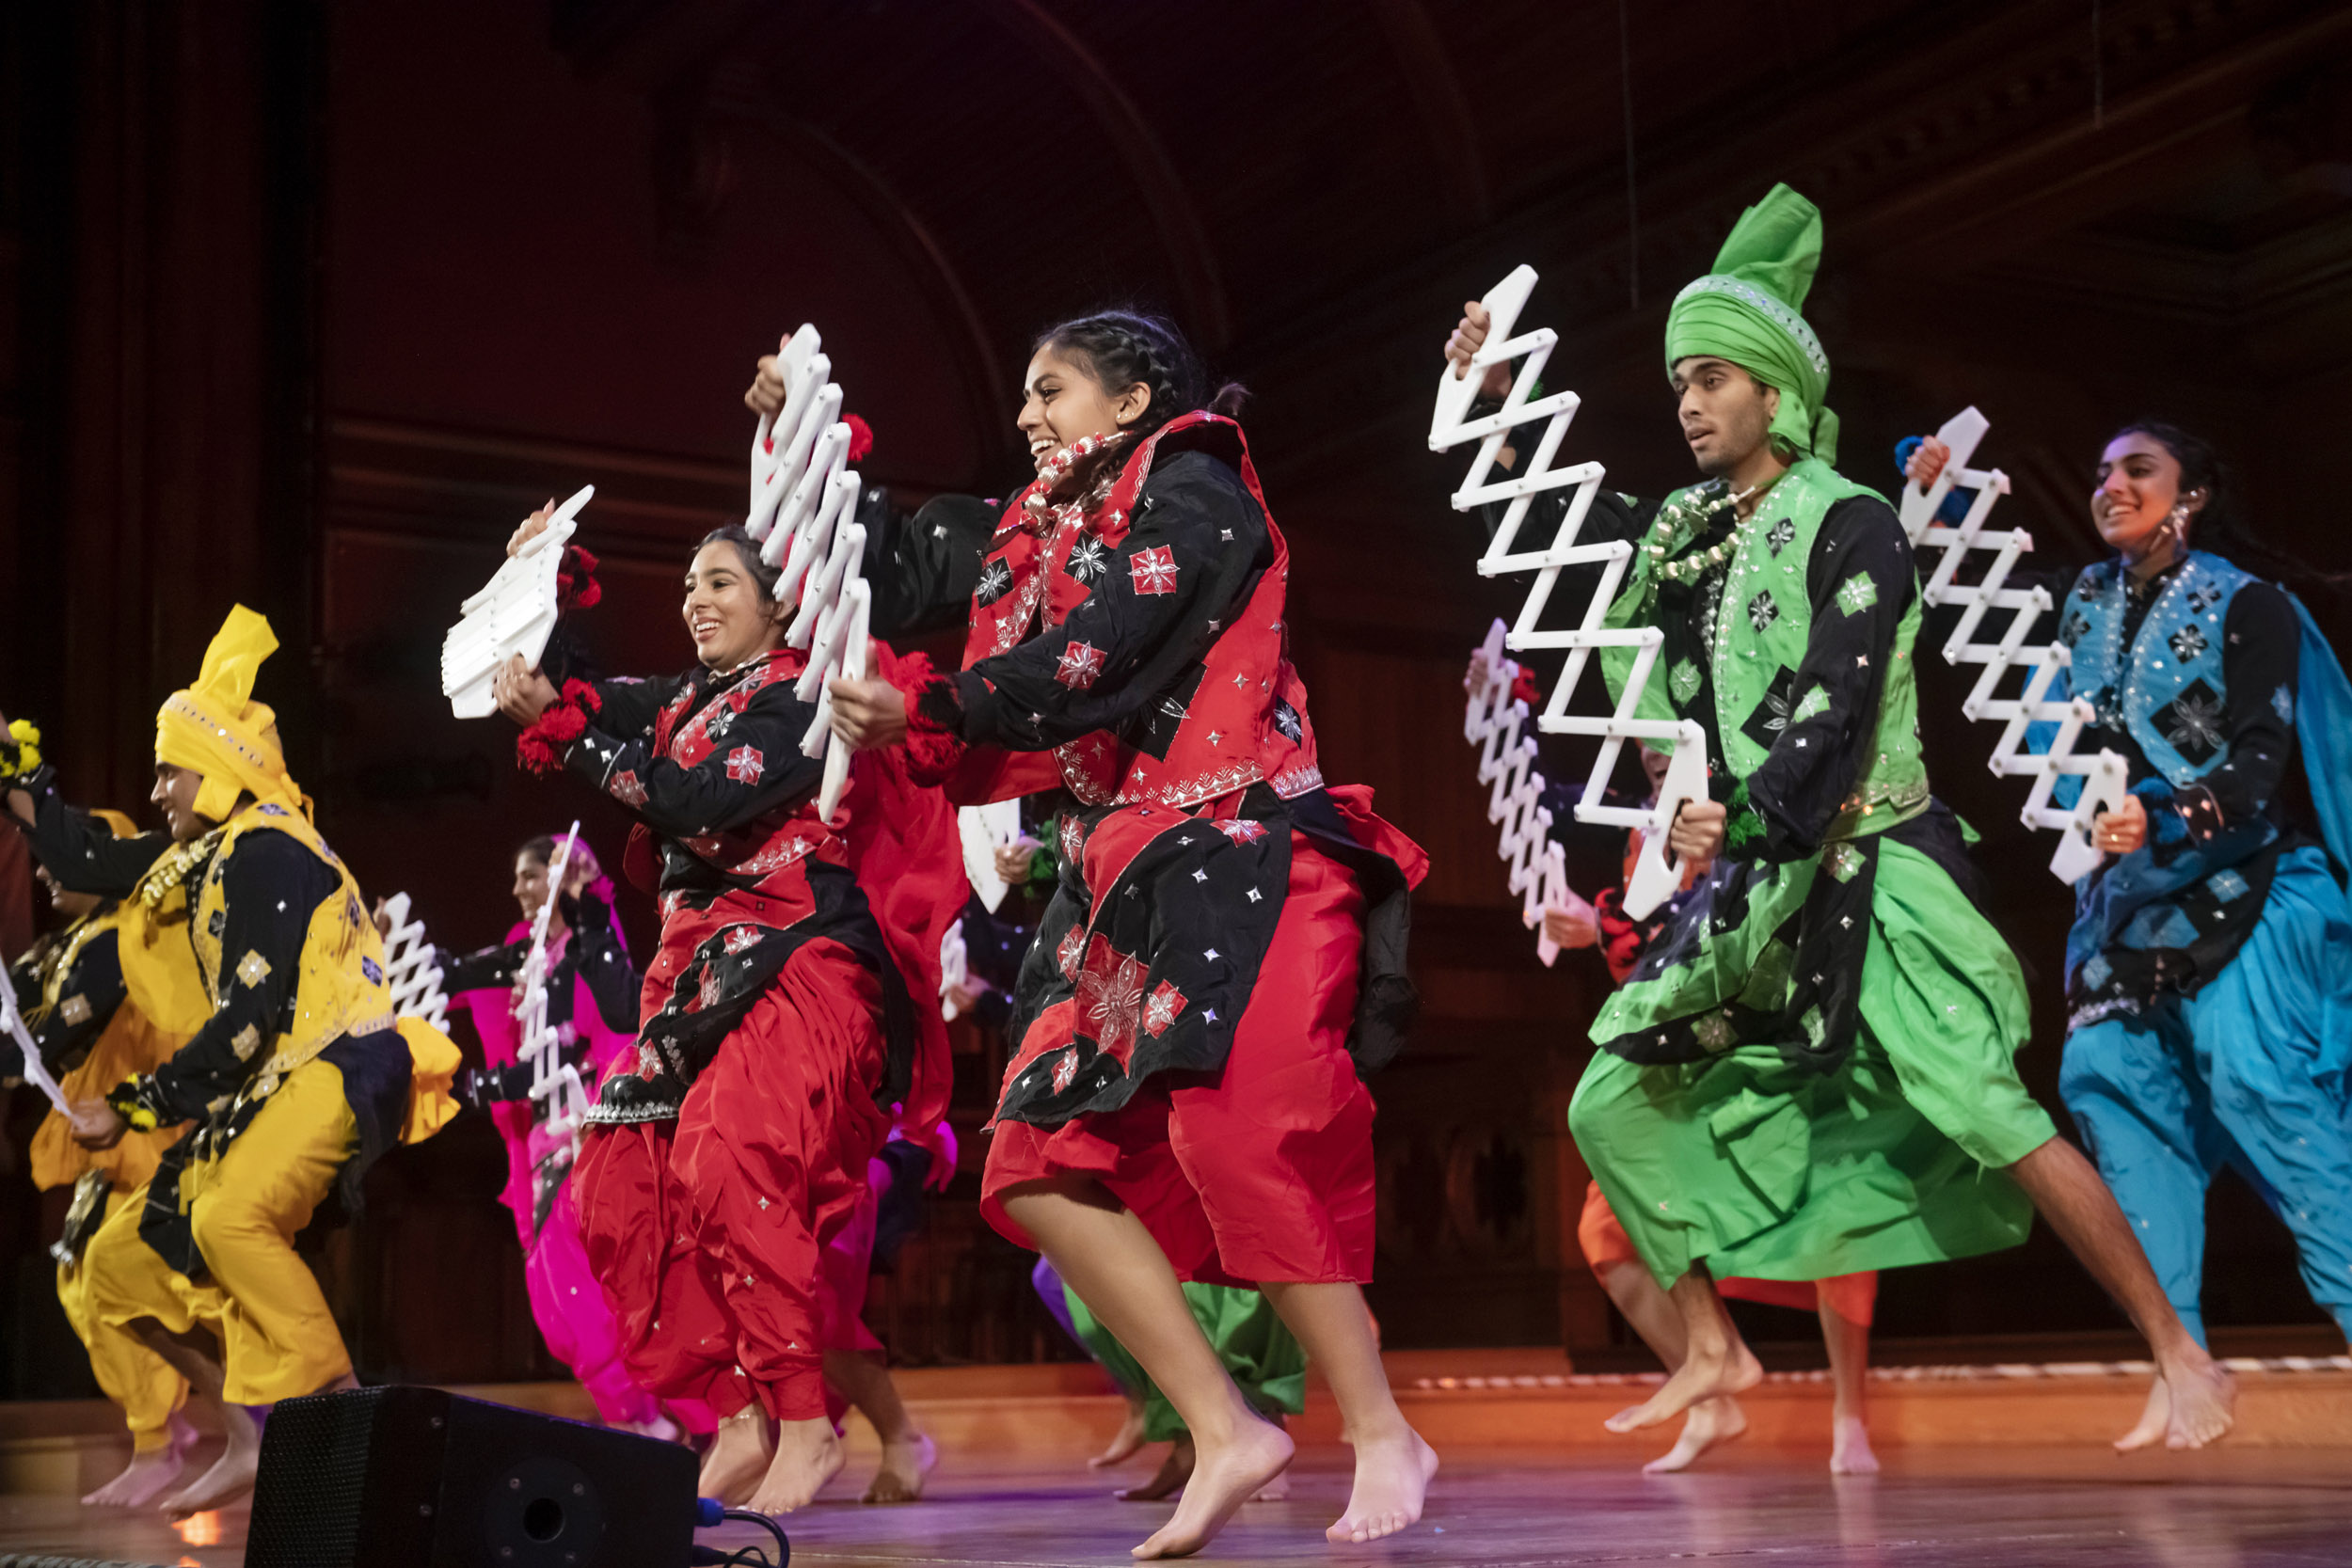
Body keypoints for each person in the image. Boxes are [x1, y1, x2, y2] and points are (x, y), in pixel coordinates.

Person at [1440, 182, 2233, 1451]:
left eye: (1712, 377)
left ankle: (2180, 1349)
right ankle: (1715, 1346)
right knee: (1606, 1100)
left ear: (1775, 391)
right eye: (1680, 382)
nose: (1690, 404)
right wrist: (1496, 400)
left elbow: (1832, 704)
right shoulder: (1694, 528)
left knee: (1988, 1108)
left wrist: (1736, 823)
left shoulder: (1852, 522)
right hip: (1759, 871)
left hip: (1872, 857)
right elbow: (1585, 563)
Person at [808, 308, 1435, 1557]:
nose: (1030, 416)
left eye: (1053, 390)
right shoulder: (1050, 535)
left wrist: (933, 700)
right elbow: (960, 615)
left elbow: (1099, 656)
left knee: (1234, 1128)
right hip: (1137, 885)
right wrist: (804, 440)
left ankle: (1380, 1427)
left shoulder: (1200, 490)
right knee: (1033, 1160)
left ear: (1135, 398)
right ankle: (1225, 1425)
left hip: (1253, 854)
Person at [488, 520, 963, 1516]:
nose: (694, 600)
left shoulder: (802, 696)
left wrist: (572, 732)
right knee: (615, 1179)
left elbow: (695, 801)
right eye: (687, 585)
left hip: (798, 955)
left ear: (778, 602)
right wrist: (548, 593)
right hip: (698, 970)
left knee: (724, 1158)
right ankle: (734, 1409)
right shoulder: (686, 698)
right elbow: (580, 690)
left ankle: (803, 1418)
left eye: (717, 582)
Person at [1905, 420, 2352, 1443]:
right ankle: (2181, 1355)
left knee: (2263, 1093)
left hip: (2244, 883)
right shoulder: (2080, 605)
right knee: (2108, 1081)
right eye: (2101, 470)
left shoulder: (2248, 606)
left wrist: (2162, 811)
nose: (2109, 484)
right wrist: (1921, 476)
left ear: (2188, 494)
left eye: (2134, 469)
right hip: (2129, 899)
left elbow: (2253, 759)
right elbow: (1974, 612)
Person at [3, 606, 463, 1514]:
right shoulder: (203, 856)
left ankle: (329, 1411)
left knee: (230, 1215)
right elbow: (92, 855)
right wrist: (19, 789)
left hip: (343, 1064)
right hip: (269, 1085)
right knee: (122, 1264)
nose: (160, 789)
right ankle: (252, 1430)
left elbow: (249, 1023)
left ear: (215, 770)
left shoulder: (266, 852)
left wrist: (133, 1104)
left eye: (171, 770)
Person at [1486, 714, 1882, 1475]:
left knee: (1837, 1213)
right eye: (1648, 754)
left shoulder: (1749, 806)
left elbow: (1721, 928)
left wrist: (1605, 928)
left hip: (1766, 1037)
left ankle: (1850, 1412)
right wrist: (1595, 932)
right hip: (1677, 1055)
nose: (1659, 765)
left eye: (1669, 750)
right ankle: (1711, 1388)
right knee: (1609, 1233)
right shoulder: (1645, 834)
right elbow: (1649, 956)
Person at [406, 832, 694, 1439]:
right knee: (556, 1312)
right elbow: (456, 972)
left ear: (563, 880)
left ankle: (654, 1429)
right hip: (543, 1152)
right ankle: (650, 1426)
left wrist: (481, 1088)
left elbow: (596, 1032)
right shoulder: (529, 955)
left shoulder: (590, 948)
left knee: (593, 1302)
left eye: (530, 876)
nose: (517, 889)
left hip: (589, 1142)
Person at [0, 789, 210, 1508]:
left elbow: (50, 1033)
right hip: (109, 1140)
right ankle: (165, 1431)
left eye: (69, 857)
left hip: (145, 1132)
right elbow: (20, 1004)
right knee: (82, 1278)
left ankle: (182, 1431)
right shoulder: (66, 943)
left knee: (122, 1279)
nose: (49, 871)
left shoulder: (122, 936)